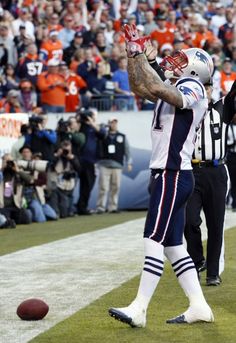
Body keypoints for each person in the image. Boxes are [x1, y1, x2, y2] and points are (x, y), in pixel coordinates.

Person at [108, 24, 214, 327]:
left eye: (183, 60)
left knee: (153, 237)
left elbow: (155, 88)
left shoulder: (193, 89)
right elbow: (139, 86)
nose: (175, 60)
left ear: (196, 70)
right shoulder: (177, 83)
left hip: (173, 173)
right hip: (166, 173)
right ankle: (199, 306)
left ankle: (139, 308)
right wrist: (133, 54)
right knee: (172, 245)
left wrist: (142, 54)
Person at [184, 80, 236, 287]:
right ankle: (197, 261)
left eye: (207, 87)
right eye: (200, 86)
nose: (203, 90)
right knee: (189, 221)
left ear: (212, 89)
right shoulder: (186, 109)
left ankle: (213, 272)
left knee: (216, 223)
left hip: (216, 170)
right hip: (191, 170)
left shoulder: (222, 107)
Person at [96, 117, 132, 214]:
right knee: (103, 187)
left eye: (115, 123)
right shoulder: (103, 135)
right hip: (104, 164)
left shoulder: (122, 136)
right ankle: (101, 207)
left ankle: (113, 207)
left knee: (115, 186)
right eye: (111, 123)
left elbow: (127, 150)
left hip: (117, 165)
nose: (113, 124)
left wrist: (129, 162)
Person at [76, 107, 107, 215]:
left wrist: (92, 123)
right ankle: (80, 207)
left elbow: (103, 134)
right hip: (80, 159)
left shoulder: (96, 127)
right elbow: (75, 130)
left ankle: (82, 206)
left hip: (92, 161)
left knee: (89, 184)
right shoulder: (81, 126)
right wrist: (80, 118)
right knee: (81, 184)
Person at [226, 114, 236, 212]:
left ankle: (234, 203)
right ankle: (229, 201)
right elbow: (226, 143)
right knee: (230, 179)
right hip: (231, 156)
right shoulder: (228, 127)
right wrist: (233, 143)